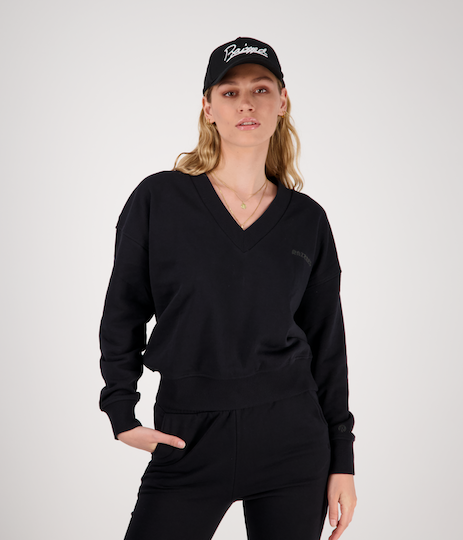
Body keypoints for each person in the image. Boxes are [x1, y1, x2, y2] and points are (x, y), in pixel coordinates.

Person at [98, 37, 357, 540]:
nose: (246, 103)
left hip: (294, 441)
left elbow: (328, 343)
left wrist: (342, 460)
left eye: (261, 89)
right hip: (187, 435)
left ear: (282, 102)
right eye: (230, 91)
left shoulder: (307, 220)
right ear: (208, 107)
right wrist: (120, 409)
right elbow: (123, 310)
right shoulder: (159, 199)